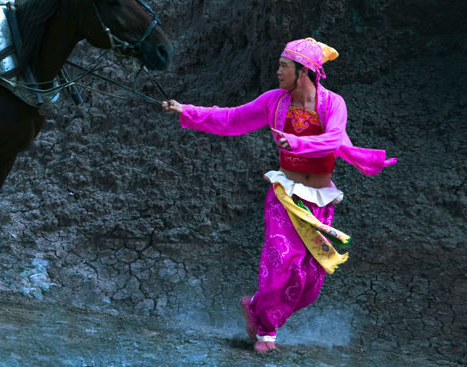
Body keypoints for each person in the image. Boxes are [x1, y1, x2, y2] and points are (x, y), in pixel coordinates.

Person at [161, 37, 396, 354]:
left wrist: (297, 144)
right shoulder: (274, 101)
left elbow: (333, 140)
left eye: (284, 66)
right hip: (286, 196)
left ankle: (257, 308)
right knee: (283, 264)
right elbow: (233, 119)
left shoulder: (333, 104)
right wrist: (187, 110)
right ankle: (266, 333)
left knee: (311, 281)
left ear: (304, 71)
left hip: (320, 201)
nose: (278, 71)